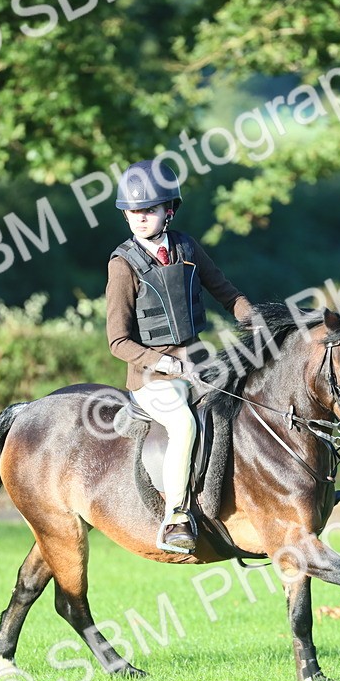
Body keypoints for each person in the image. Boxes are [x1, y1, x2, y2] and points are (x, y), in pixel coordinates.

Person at [105, 160, 254, 554]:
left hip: (198, 363)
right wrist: (163, 363)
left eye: (148, 210)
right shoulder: (123, 265)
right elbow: (118, 341)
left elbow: (228, 293)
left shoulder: (186, 247)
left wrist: (257, 322)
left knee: (248, 400)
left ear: (167, 211)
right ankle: (175, 517)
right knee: (185, 425)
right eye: (133, 212)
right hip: (151, 378)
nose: (139, 218)